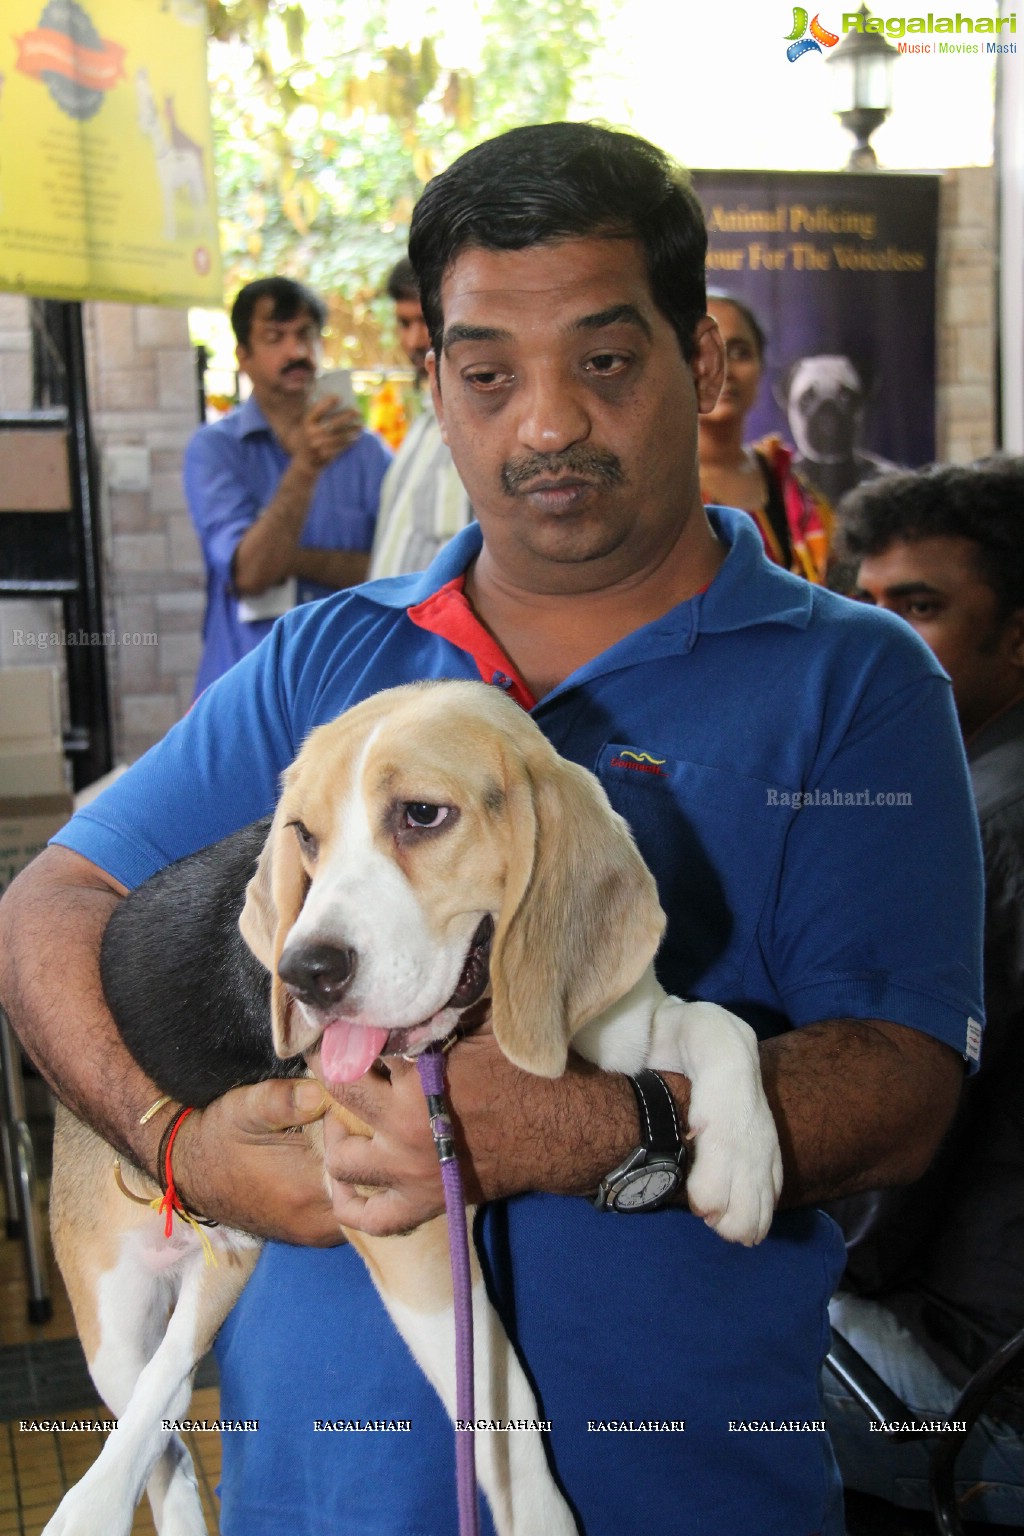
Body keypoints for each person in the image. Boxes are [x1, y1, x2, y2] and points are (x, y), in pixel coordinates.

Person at [0, 124, 983, 1536]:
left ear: (700, 365)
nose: (546, 422)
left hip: (685, 1493)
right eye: (488, 373)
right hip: (315, 1500)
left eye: (603, 359)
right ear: (437, 387)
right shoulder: (325, 662)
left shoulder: (856, 678)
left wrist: (563, 1127)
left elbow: (902, 1089)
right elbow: (49, 908)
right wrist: (179, 1147)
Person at [823, 458, 1024, 1526]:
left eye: (920, 608)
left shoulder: (978, 829)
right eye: (864, 606)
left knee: (663, 1361)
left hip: (980, 1365)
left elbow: (892, 1170)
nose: (876, 640)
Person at [185, 276, 392, 693]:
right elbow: (253, 573)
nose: (296, 352)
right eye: (274, 337)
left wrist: (291, 559)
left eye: (305, 335)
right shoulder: (215, 450)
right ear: (243, 355)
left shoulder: (367, 452)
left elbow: (398, 570)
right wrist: (307, 465)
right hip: (245, 687)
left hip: (351, 683)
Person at [699, 290, 833, 582]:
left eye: (739, 353)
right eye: (702, 352)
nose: (722, 369)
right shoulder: (655, 489)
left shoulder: (791, 488)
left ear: (761, 369)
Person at [367, 256, 472, 577]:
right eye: (404, 324)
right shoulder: (424, 423)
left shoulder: (484, 428)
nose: (413, 341)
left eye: (424, 322)